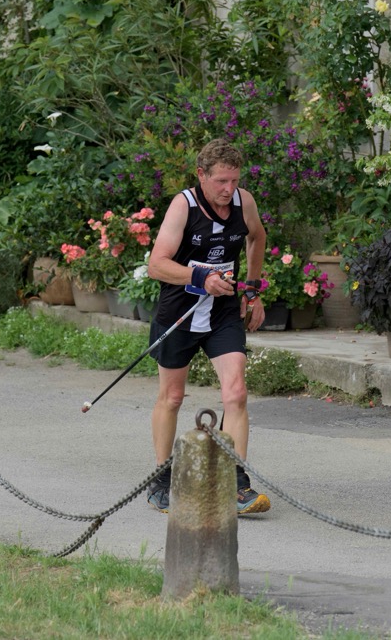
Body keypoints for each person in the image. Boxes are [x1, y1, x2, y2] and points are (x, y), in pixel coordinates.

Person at [144, 138, 270, 515]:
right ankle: (162, 479)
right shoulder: (183, 206)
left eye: (234, 180)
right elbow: (156, 265)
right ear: (201, 175)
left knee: (236, 392)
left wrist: (252, 289)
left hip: (222, 313)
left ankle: (235, 483)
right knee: (172, 397)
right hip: (179, 313)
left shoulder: (243, 202)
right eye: (221, 181)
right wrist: (201, 277)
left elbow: (257, 236)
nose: (229, 189)